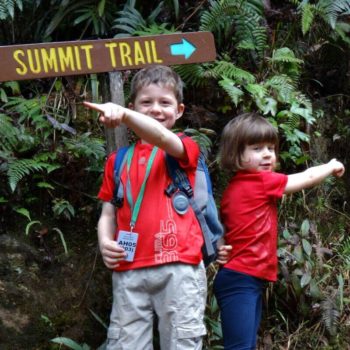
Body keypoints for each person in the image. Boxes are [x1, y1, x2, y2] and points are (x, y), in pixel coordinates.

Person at [83, 65, 207, 350]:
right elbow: (108, 213)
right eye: (146, 103)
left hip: (179, 265)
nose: (156, 109)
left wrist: (126, 116)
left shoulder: (183, 147)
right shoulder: (118, 160)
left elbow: (160, 137)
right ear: (133, 106)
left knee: (181, 343)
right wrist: (104, 241)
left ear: (179, 110)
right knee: (126, 344)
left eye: (165, 102)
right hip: (129, 267)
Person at [213, 112, 345, 350]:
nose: (267, 154)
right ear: (235, 154)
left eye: (270, 148)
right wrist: (331, 166)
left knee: (244, 346)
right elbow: (307, 177)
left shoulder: (234, 188)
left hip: (242, 277)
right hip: (241, 277)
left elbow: (224, 227)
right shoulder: (261, 182)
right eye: (256, 148)